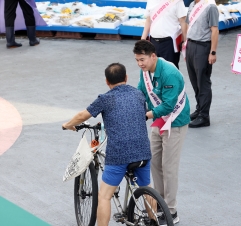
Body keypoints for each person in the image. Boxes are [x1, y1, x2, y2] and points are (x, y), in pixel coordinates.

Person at [62, 63, 152, 226]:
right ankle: (154, 221)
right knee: (147, 189)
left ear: (106, 81)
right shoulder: (139, 94)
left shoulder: (105, 99)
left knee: (104, 196)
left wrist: (68, 124)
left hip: (119, 154)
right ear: (126, 78)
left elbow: (83, 115)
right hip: (143, 151)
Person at [133, 40, 190, 225]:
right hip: (159, 121)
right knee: (155, 163)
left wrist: (147, 115)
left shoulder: (169, 73)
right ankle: (160, 204)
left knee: (169, 167)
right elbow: (141, 92)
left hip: (175, 122)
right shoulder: (145, 72)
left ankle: (171, 211)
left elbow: (169, 105)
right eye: (137, 60)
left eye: (142, 60)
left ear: (153, 56)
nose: (140, 64)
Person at [185, 0, 219, 128]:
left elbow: (214, 30)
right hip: (191, 45)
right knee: (194, 81)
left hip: (203, 46)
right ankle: (199, 109)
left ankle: (204, 116)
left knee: (203, 81)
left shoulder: (210, 6)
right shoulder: (192, 4)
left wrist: (213, 52)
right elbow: (189, 25)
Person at [141, 0, 187, 69]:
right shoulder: (151, 1)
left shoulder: (177, 1)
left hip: (170, 43)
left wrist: (185, 40)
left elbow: (183, 21)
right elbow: (148, 20)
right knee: (154, 70)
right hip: (153, 42)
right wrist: (142, 40)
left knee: (170, 70)